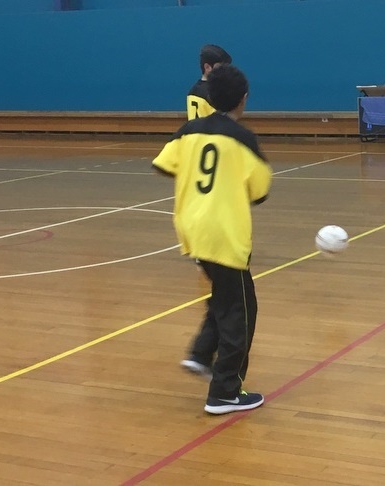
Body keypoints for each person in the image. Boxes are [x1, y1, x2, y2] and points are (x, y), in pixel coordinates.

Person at [153, 64, 272, 414]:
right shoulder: (243, 139)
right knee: (243, 309)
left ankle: (202, 353)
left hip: (191, 228)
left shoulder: (188, 131)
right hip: (224, 233)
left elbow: (162, 164)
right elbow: (260, 191)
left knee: (226, 293)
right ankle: (225, 392)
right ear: (244, 99)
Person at [186, 44, 233, 120]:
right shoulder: (215, 93)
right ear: (207, 67)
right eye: (220, 67)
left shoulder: (192, 91)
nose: (225, 71)